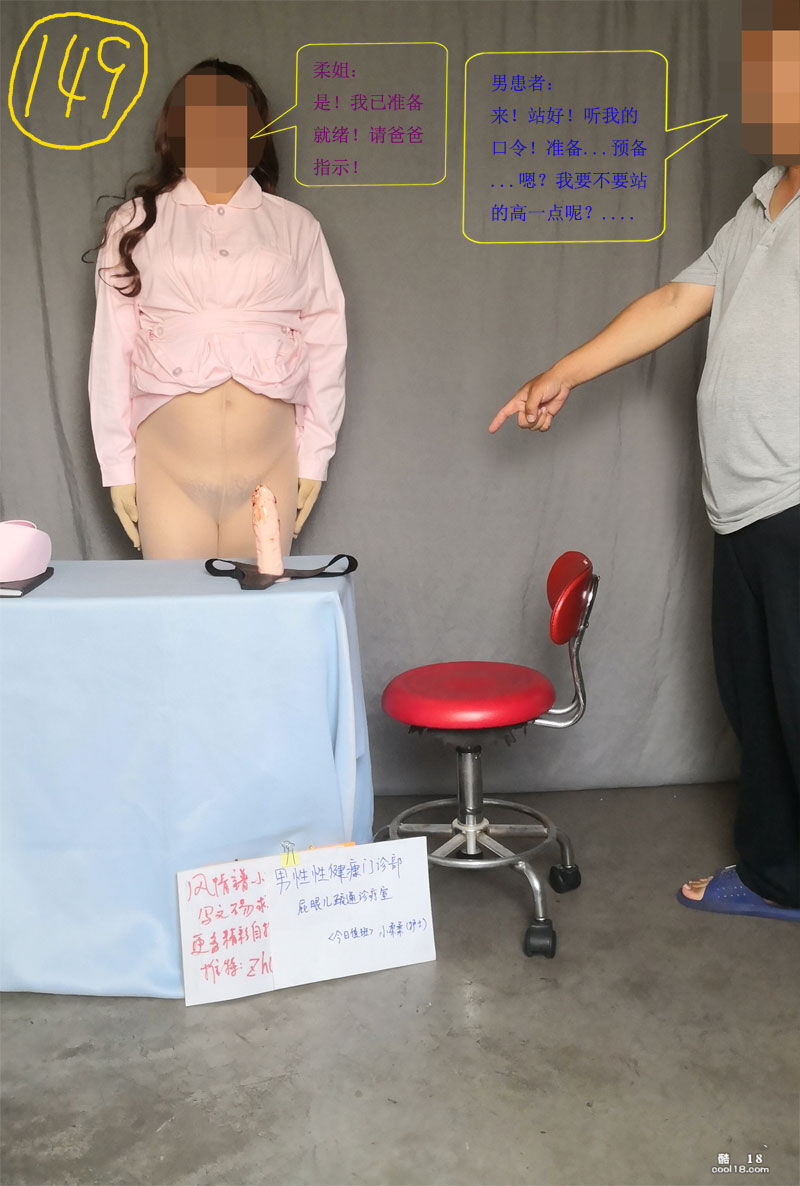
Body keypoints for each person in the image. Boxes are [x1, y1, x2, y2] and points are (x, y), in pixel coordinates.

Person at [488, 13, 800, 920]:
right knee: (759, 703)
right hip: (740, 503)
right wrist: (562, 373)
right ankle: (780, 878)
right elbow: (674, 299)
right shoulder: (761, 203)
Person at [87, 60, 346, 558]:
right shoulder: (135, 223)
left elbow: (327, 340)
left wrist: (316, 455)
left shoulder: (297, 226)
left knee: (260, 608)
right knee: (177, 607)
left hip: (270, 466)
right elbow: (111, 348)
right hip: (169, 470)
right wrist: (116, 466)